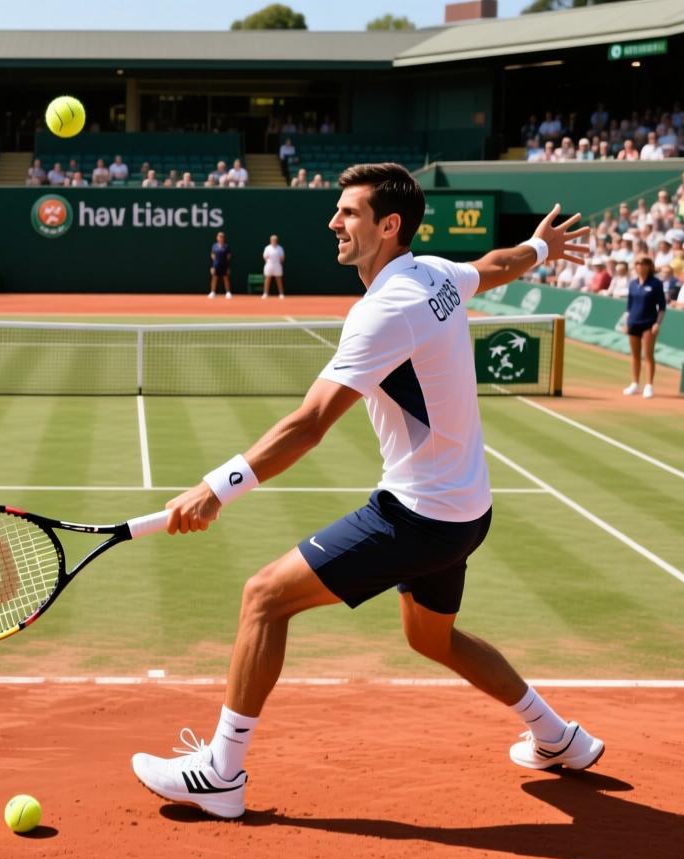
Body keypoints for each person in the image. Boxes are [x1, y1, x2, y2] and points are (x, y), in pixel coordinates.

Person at [131, 163, 601, 820]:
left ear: (389, 225)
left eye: (347, 213)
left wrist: (215, 489)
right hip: (468, 510)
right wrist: (544, 248)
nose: (333, 223)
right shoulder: (434, 273)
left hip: (418, 515)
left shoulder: (385, 311)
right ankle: (558, 738)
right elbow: (496, 264)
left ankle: (222, 772)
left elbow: (309, 424)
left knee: (264, 598)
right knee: (433, 640)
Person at [620, 256, 666, 399]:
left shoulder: (656, 283)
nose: (639, 266)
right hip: (633, 322)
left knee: (648, 355)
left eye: (642, 263)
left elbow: (662, 307)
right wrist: (626, 323)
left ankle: (649, 385)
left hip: (649, 323)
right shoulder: (633, 284)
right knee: (634, 355)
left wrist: (657, 323)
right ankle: (634, 384)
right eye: (637, 263)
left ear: (649, 266)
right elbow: (629, 306)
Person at [208, 231, 232, 299]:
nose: (220, 238)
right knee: (214, 278)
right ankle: (212, 292)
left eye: (222, 237)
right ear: (217, 238)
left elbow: (228, 257)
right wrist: (213, 266)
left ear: (223, 238)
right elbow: (212, 256)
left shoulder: (226, 246)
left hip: (224, 264)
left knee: (226, 278)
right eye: (219, 237)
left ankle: (228, 293)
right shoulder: (214, 246)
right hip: (216, 265)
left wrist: (227, 266)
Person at [261, 234, 285, 299]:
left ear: (277, 240)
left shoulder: (280, 248)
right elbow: (265, 257)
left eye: (275, 240)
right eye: (272, 239)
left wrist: (278, 263)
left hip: (277, 265)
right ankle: (265, 293)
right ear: (270, 240)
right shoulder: (267, 248)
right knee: (267, 279)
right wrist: (269, 263)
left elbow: (282, 258)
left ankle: (281, 294)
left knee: (279, 280)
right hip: (269, 265)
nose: (274, 240)